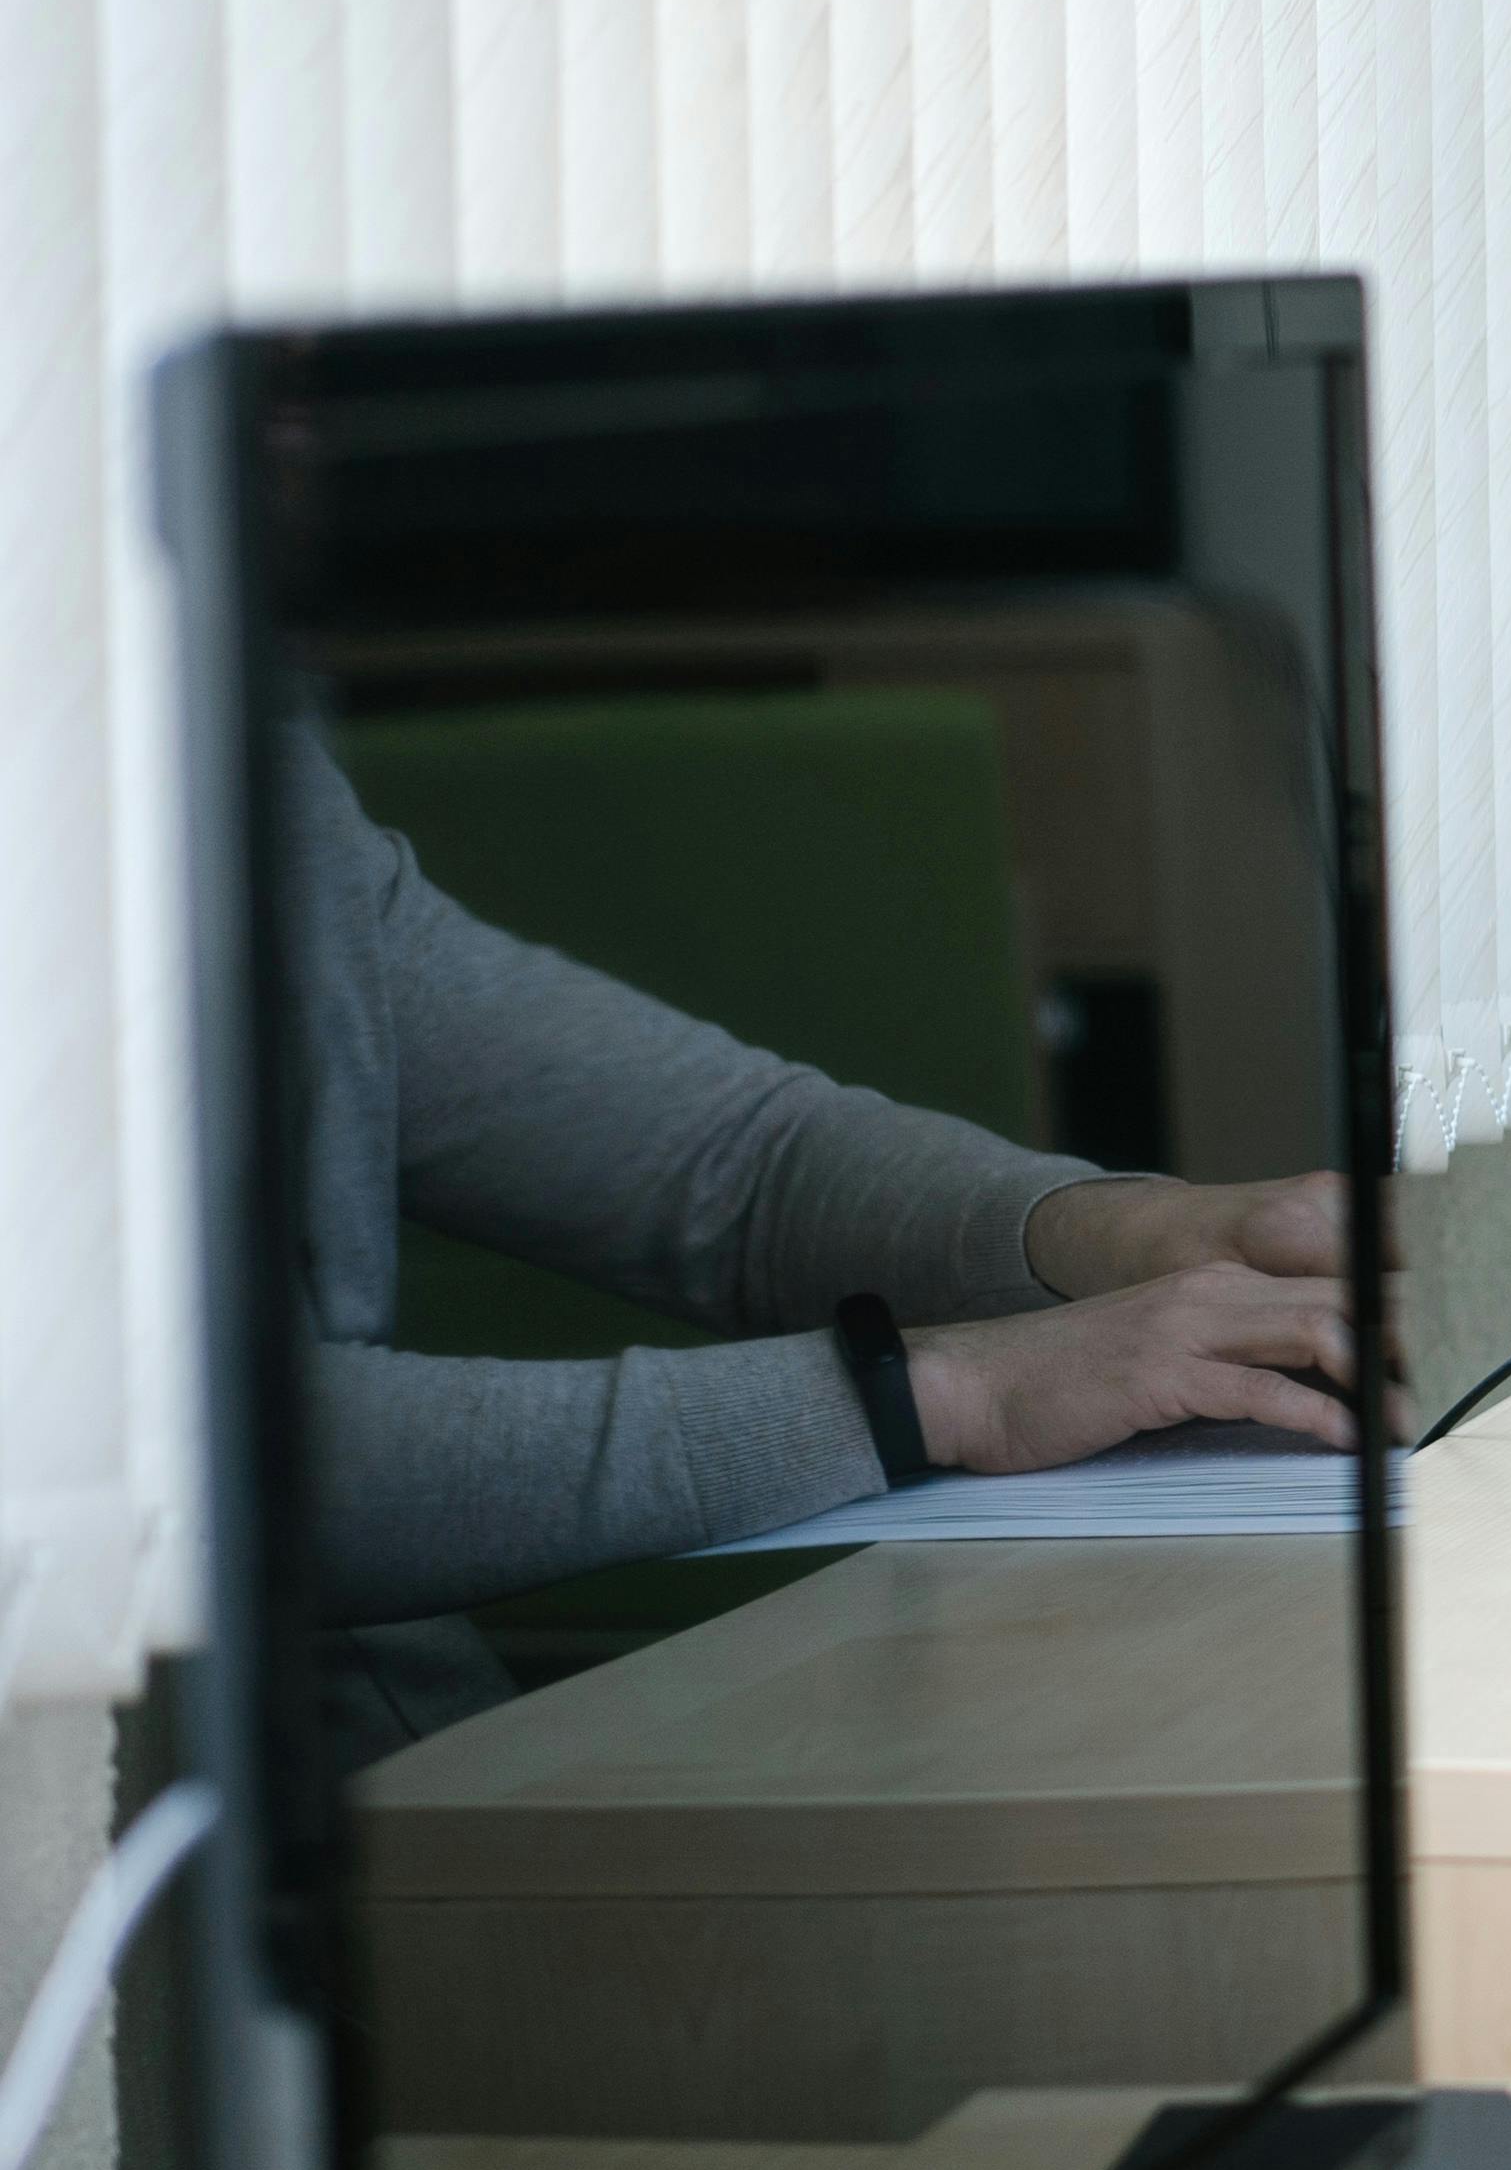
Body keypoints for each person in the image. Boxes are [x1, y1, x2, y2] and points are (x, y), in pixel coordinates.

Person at [288, 737, 1371, 1735]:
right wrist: (945, 1393)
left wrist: (1146, 1228)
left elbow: (740, 1165)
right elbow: (196, 1477)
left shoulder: (257, 794)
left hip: (432, 1765)